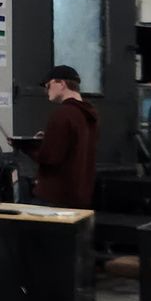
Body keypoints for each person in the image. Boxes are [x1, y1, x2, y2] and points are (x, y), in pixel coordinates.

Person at [33, 64, 99, 208]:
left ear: (61, 84)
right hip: (80, 196)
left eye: (48, 85)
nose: (46, 91)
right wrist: (50, 138)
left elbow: (50, 158)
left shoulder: (63, 114)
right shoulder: (88, 114)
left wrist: (28, 147)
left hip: (57, 197)